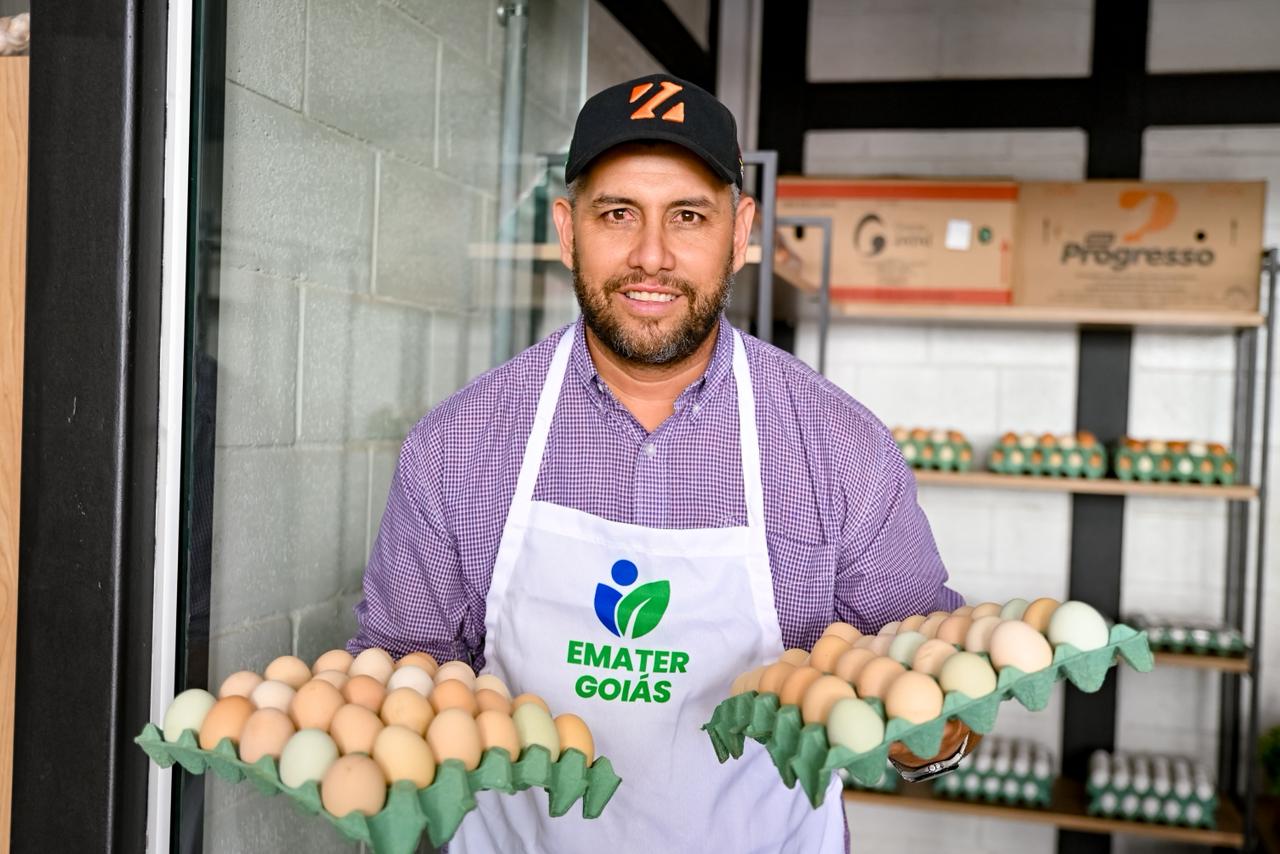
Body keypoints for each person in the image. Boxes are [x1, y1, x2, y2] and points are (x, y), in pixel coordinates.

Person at [350, 73, 968, 853]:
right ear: (568, 230)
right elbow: (403, 691)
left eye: (688, 216)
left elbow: (930, 691)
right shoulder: (458, 447)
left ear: (741, 232)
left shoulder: (842, 450)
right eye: (618, 215)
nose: (652, 256)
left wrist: (930, 735)